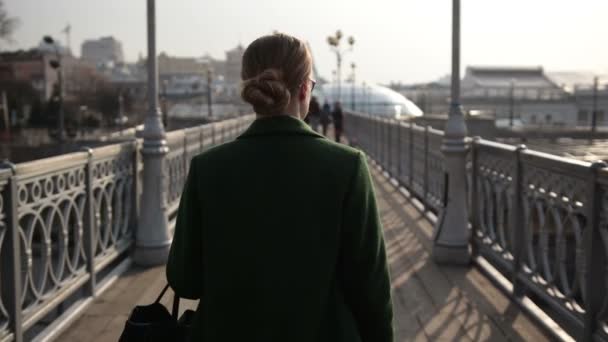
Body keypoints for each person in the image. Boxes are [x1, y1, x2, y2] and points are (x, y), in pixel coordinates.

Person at [166, 33, 393, 342]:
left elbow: (185, 279)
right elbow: (372, 290)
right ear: (304, 89)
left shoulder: (207, 168)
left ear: (252, 89)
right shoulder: (348, 166)